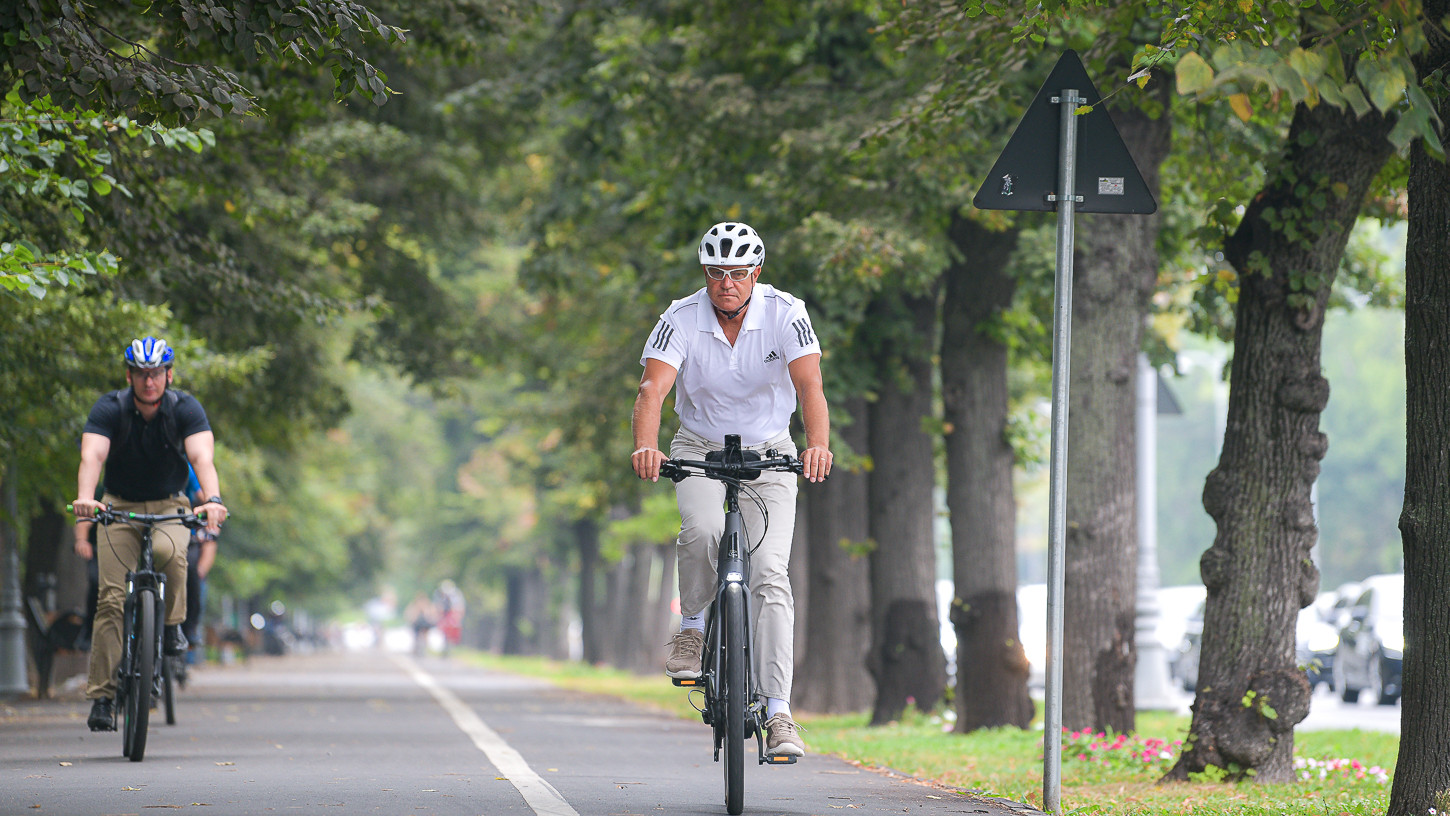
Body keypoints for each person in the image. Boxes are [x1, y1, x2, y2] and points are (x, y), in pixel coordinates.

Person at [631, 221, 831, 758]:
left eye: (738, 273)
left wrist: (816, 445)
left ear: (755, 274)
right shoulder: (680, 317)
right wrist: (647, 447)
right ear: (705, 274)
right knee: (701, 528)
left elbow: (810, 385)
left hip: (769, 452)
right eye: (717, 273)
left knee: (770, 575)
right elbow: (653, 388)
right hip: (699, 446)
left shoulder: (787, 313)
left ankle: (779, 713)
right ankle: (692, 628)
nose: (727, 283)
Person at [71, 337, 228, 732]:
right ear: (130, 376)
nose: (149, 381)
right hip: (118, 506)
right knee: (109, 600)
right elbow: (92, 455)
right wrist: (86, 499)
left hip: (168, 505)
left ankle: (172, 627)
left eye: (156, 373)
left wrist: (211, 499)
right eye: (141, 374)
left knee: (173, 554)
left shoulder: (185, 409)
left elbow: (201, 457)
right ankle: (103, 698)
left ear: (168, 375)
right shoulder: (111, 408)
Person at [182, 464, 219, 664]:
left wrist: (211, 507)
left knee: (192, 575)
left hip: (184, 527)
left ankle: (189, 634)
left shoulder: (187, 468)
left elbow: (201, 493)